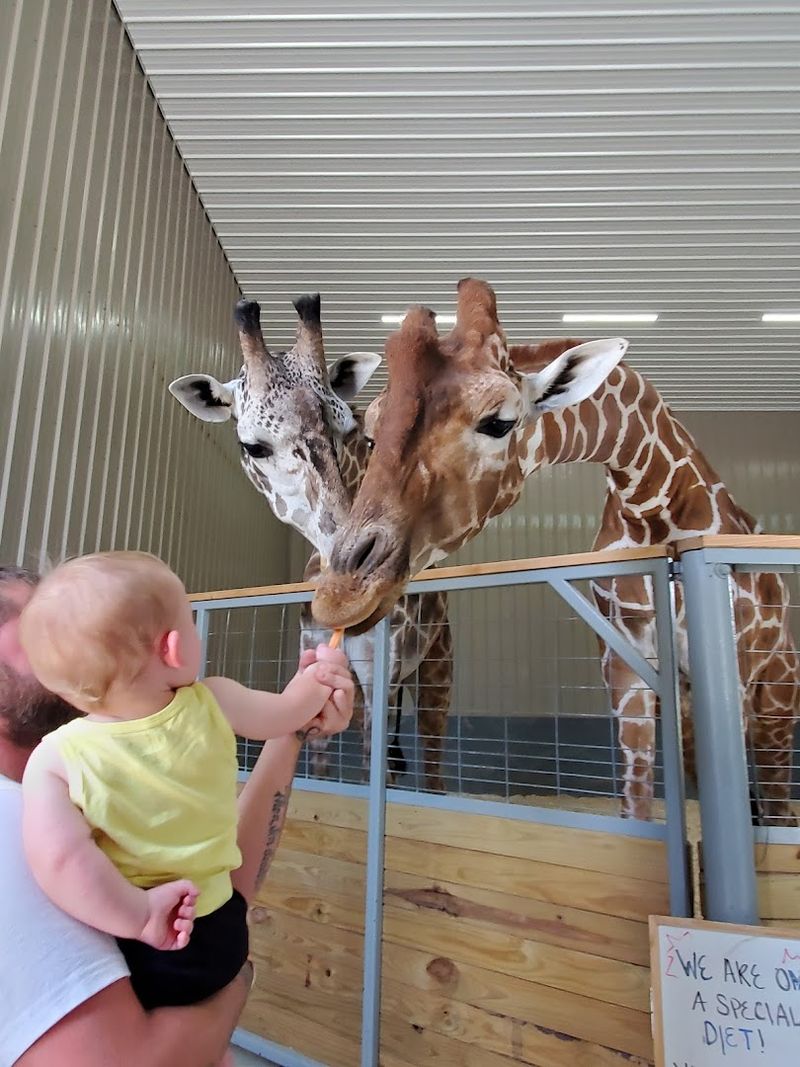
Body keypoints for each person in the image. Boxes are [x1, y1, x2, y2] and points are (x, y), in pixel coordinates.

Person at [0, 563, 353, 1066]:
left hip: (170, 943)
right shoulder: (209, 701)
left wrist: (297, 727)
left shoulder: (55, 764)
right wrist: (310, 691)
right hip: (213, 936)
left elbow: (64, 862)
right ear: (175, 647)